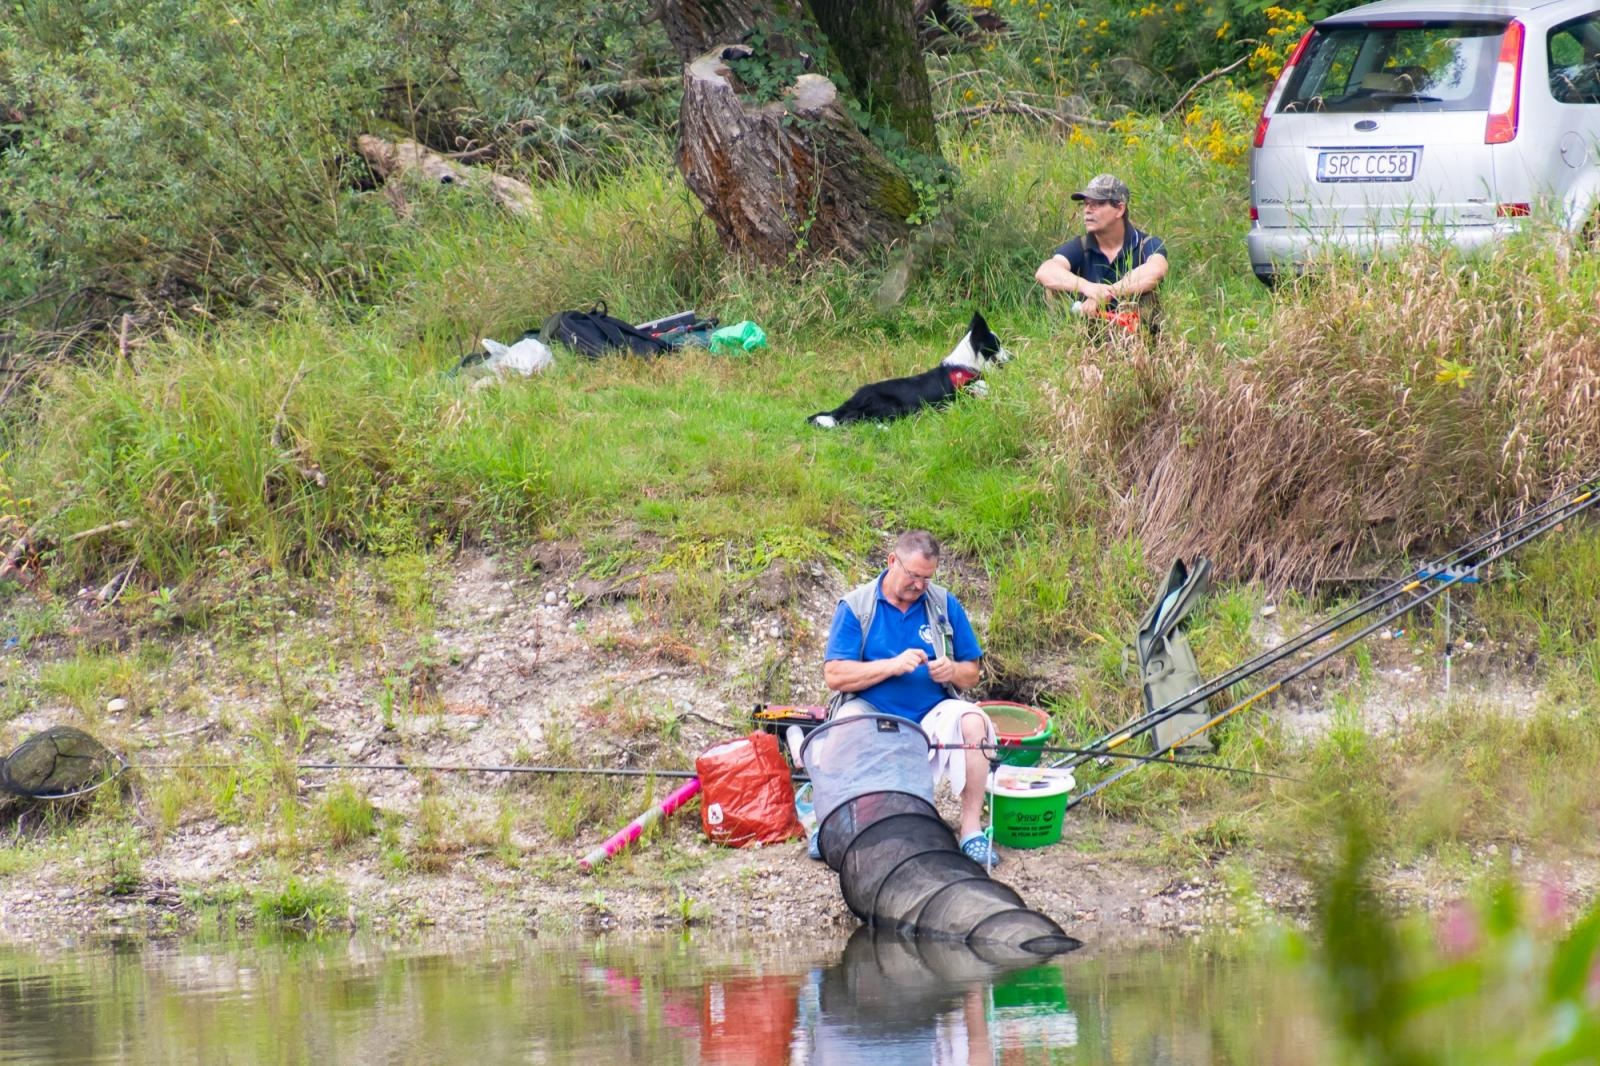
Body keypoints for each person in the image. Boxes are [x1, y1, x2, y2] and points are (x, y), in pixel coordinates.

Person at [819, 530, 1001, 867]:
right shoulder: (856, 606)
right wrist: (890, 666)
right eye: (913, 576)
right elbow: (835, 675)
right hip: (871, 710)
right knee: (841, 727)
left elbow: (972, 673)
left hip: (932, 711)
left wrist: (952, 671)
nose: (918, 586)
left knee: (975, 721)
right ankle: (830, 822)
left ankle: (971, 832)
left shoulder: (944, 604)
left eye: (926, 579)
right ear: (892, 561)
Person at [1034, 173, 1169, 333]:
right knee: (1053, 287)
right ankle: (1064, 345)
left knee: (1148, 288)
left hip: (1138, 339)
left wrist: (1108, 293)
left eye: (1097, 204)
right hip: (1087, 335)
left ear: (1120, 209)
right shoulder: (1080, 246)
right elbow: (1045, 271)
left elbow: (1157, 270)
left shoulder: (1146, 244)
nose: (1088, 210)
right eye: (1086, 204)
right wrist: (1088, 288)